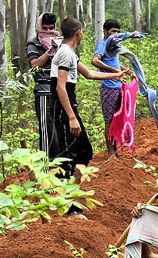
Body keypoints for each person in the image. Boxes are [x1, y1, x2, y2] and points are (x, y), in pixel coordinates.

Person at [49, 18, 129, 218]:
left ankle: (68, 199)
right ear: (78, 32)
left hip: (69, 107)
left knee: (84, 151)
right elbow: (60, 87)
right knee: (67, 157)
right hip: (63, 110)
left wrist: (116, 75)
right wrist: (71, 117)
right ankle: (65, 206)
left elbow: (90, 74)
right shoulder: (66, 54)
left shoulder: (70, 54)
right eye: (82, 32)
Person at [26, 12, 60, 157]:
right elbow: (35, 66)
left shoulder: (59, 42)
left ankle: (61, 168)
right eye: (44, 28)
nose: (47, 31)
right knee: (46, 131)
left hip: (59, 91)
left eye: (50, 28)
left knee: (59, 130)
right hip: (43, 92)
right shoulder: (33, 43)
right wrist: (49, 51)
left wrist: (59, 44)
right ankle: (46, 167)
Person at [92, 19, 124, 154]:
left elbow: (114, 63)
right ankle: (110, 152)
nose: (115, 34)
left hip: (118, 87)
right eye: (113, 31)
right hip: (108, 88)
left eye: (117, 32)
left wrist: (126, 70)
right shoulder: (103, 44)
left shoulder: (113, 45)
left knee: (118, 120)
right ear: (105, 32)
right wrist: (114, 71)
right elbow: (95, 60)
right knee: (109, 121)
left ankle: (116, 150)